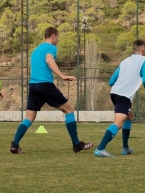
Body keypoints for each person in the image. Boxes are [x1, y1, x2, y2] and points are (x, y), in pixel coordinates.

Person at [9, 27, 94, 155]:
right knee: (69, 109)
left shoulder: (35, 50)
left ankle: (14, 144)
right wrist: (62, 76)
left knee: (29, 117)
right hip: (45, 85)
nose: (58, 40)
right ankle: (76, 144)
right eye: (58, 37)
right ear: (53, 36)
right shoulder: (51, 47)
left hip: (33, 86)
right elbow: (49, 60)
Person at [95, 39, 145, 157]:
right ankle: (100, 148)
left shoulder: (125, 61)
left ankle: (125, 148)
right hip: (123, 96)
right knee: (118, 123)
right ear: (143, 49)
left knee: (129, 116)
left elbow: (111, 81)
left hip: (115, 93)